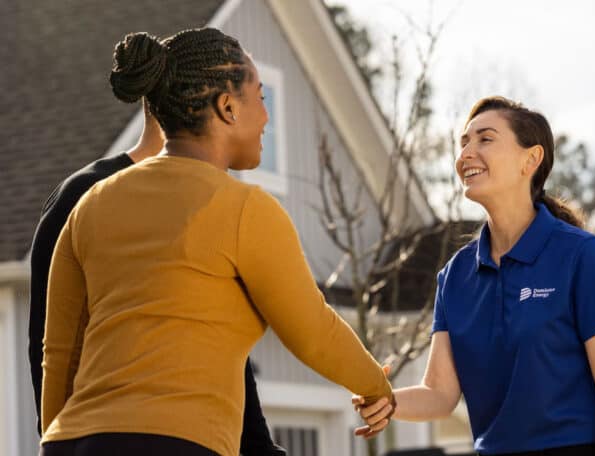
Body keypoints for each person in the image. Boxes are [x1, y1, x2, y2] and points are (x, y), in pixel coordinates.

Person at [40, 28, 391, 456]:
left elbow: (59, 353)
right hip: (175, 443)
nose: (266, 117)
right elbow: (313, 331)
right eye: (261, 98)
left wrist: (54, 442)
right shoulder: (244, 208)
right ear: (228, 107)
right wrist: (375, 385)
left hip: (70, 441)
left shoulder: (92, 203)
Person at [354, 96, 595, 456]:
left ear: (530, 160)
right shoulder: (455, 276)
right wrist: (387, 401)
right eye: (463, 143)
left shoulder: (580, 255)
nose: (466, 154)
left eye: (485, 139)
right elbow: (440, 394)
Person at [28, 97, 286, 455]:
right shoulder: (84, 198)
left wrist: (259, 448)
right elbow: (50, 349)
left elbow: (223, 349)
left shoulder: (210, 204)